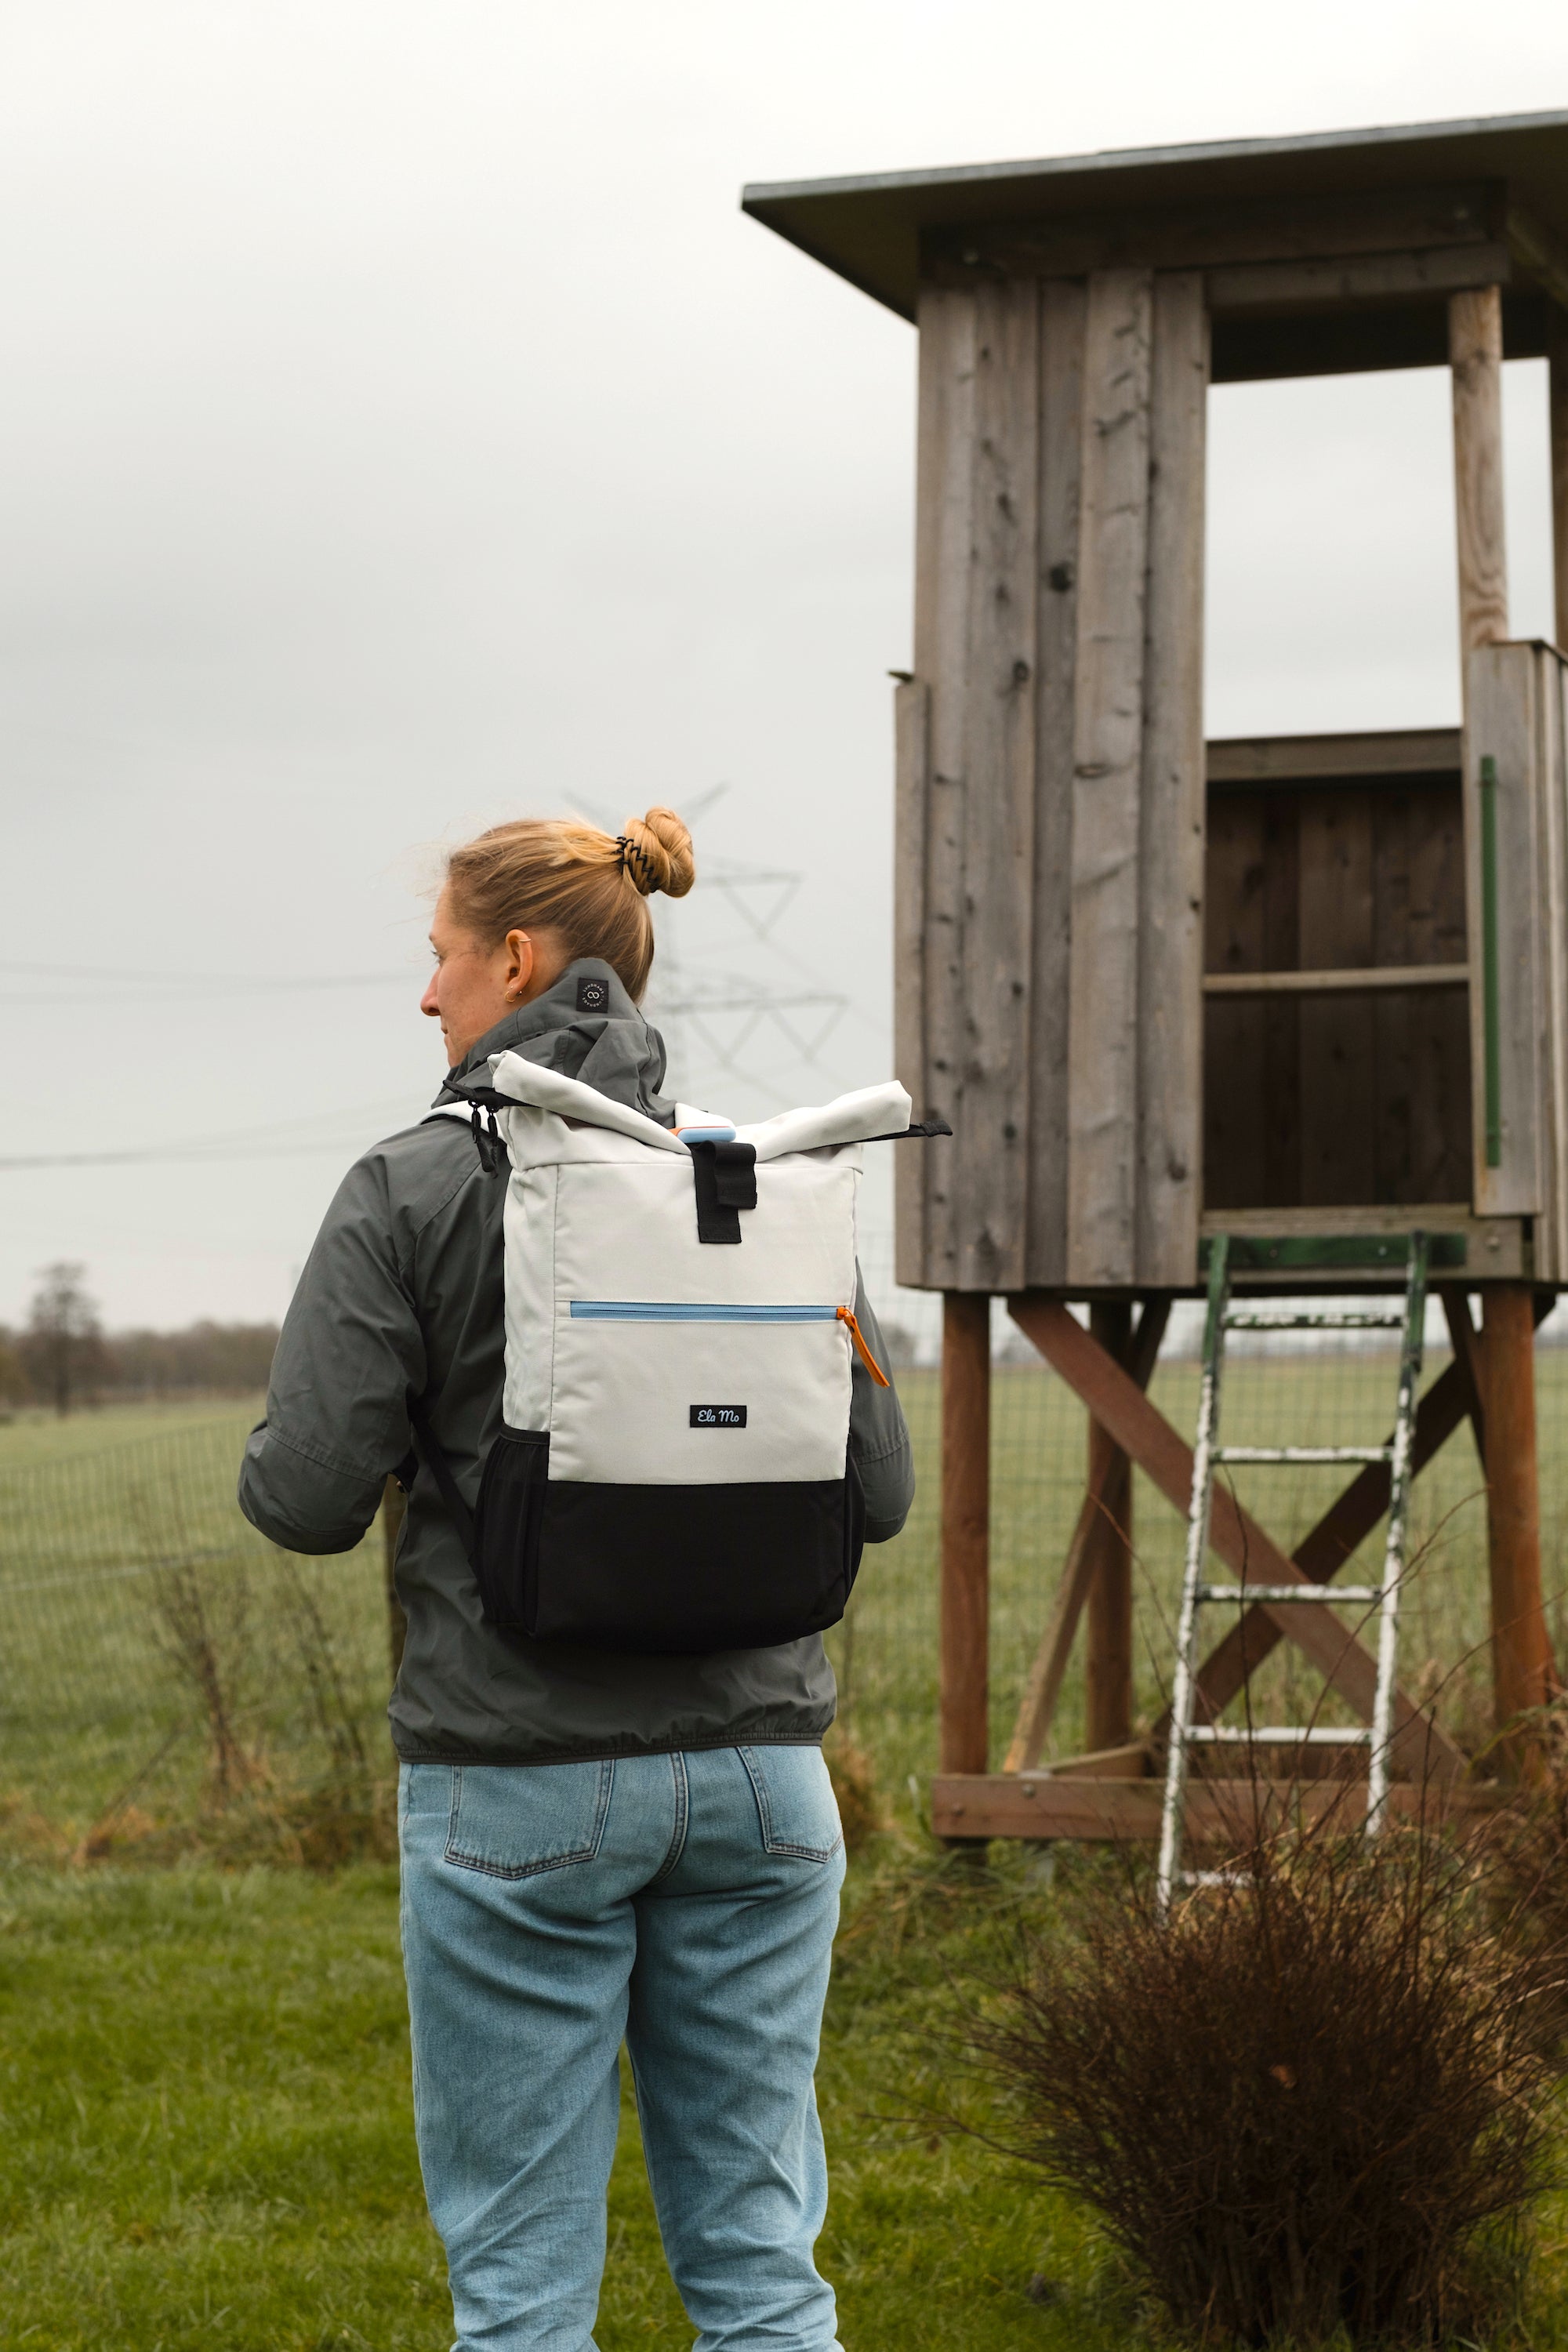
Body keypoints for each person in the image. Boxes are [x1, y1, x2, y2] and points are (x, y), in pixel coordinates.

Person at [238, 804, 914, 2352]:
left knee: (523, 2289)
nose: (428, 999)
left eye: (441, 961)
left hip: (515, 1785)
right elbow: (874, 1496)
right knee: (759, 2264)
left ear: (519, 961)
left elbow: (305, 1504)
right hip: (762, 1785)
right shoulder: (759, 1186)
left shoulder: (406, 1190)